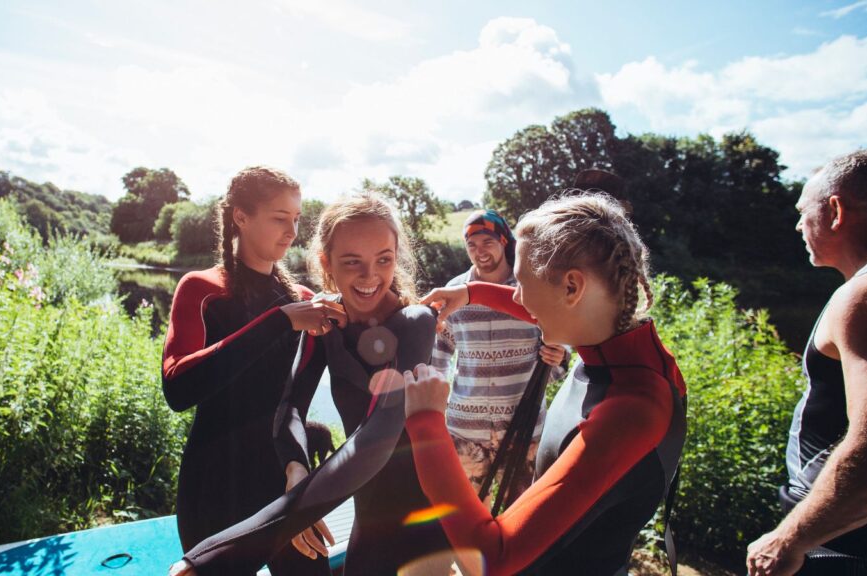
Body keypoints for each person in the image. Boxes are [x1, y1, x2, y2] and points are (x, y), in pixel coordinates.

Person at [169, 193, 452, 576]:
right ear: (327, 262)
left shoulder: (413, 323)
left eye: (383, 259)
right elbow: (291, 409)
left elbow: (377, 437)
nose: (370, 276)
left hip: (423, 517)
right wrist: (295, 466)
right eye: (353, 262)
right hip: (368, 518)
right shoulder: (326, 324)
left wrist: (223, 553)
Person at [406, 192, 688, 575]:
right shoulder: (614, 350)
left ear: (572, 288)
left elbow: (498, 556)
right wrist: (472, 292)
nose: (517, 297)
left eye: (520, 283)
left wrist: (425, 424)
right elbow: (537, 305)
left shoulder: (632, 409)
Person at [161, 167, 346, 576]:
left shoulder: (302, 300)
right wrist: (280, 321)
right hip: (213, 484)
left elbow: (297, 397)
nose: (292, 231)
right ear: (240, 217)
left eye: (297, 219)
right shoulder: (202, 289)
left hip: (283, 477)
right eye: (280, 218)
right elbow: (177, 388)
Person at [746, 150, 867, 576]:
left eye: (804, 212)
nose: (799, 225)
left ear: (835, 210)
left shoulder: (863, 297)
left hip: (842, 546)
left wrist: (792, 537)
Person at [432, 209, 567, 506]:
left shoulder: (531, 290)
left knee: (523, 514)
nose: (479, 251)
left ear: (504, 240)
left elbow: (561, 351)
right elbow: (438, 357)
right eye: (472, 245)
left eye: (487, 242)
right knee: (467, 514)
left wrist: (560, 355)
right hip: (466, 430)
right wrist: (431, 412)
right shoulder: (454, 294)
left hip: (524, 428)